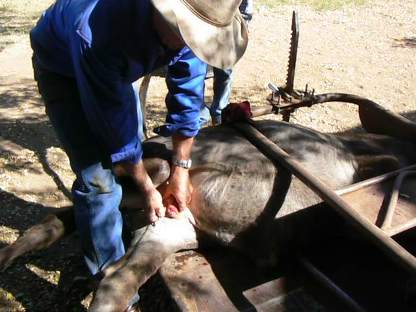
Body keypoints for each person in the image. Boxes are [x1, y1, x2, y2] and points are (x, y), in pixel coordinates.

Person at [30, 0, 247, 309]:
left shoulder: (191, 26)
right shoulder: (97, 35)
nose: (187, 41)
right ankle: (111, 284)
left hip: (114, 63)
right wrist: (146, 188)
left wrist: (180, 170)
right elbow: (114, 130)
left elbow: (188, 95)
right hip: (63, 66)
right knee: (98, 178)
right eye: (182, 32)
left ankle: (115, 225)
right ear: (161, 12)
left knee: (131, 144)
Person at [200, 0, 253, 126]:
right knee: (197, 72)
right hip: (201, 22)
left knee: (224, 71)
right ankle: (199, 117)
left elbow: (246, 6)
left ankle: (219, 114)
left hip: (227, 25)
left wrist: (243, 23)